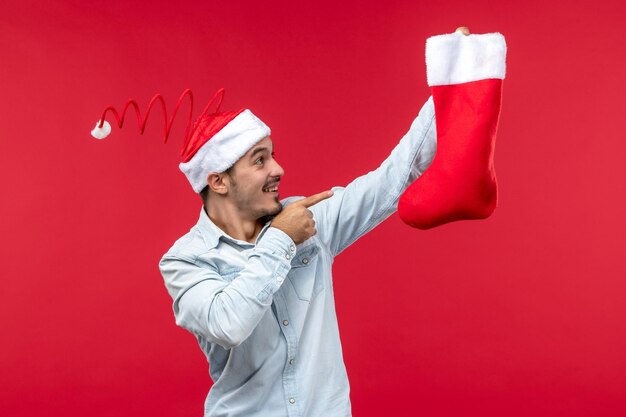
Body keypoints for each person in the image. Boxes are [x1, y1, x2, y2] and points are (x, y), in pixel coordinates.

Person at [159, 27, 477, 417]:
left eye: (273, 154)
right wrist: (281, 239)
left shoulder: (308, 220)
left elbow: (393, 178)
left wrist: (450, 83)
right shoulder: (185, 261)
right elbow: (229, 324)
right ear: (218, 181)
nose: (278, 169)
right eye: (259, 160)